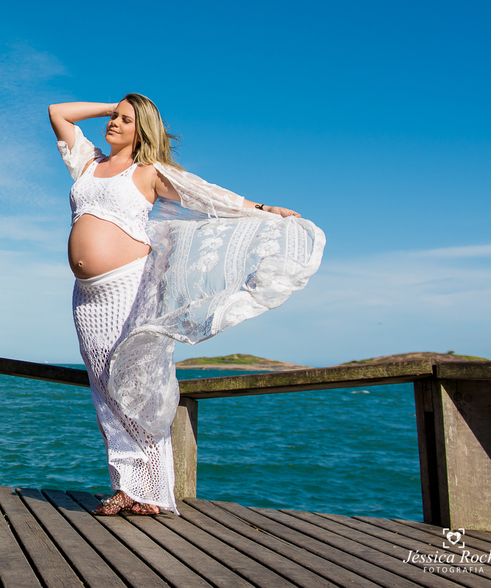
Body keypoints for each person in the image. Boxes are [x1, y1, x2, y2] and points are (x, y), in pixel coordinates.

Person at [49, 94, 324, 516]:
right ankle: (126, 486)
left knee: (137, 386)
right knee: (104, 390)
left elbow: (208, 197)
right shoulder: (88, 164)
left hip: (129, 288)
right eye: (115, 118)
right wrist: (113, 105)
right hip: (87, 298)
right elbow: (59, 112)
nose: (116, 124)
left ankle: (152, 492)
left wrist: (264, 209)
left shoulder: (149, 173)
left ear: (143, 129)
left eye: (126, 120)